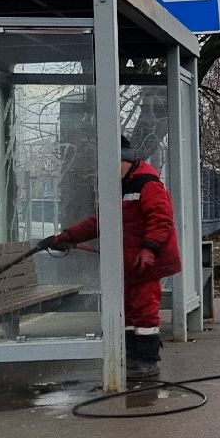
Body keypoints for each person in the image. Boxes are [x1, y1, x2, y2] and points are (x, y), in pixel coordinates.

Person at [43, 136, 183, 381]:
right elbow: (99, 222)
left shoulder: (146, 183)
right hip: (132, 262)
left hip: (146, 263)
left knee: (144, 310)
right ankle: (133, 357)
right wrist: (67, 236)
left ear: (124, 160)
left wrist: (148, 249)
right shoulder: (122, 185)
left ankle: (147, 361)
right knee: (130, 310)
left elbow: (161, 219)